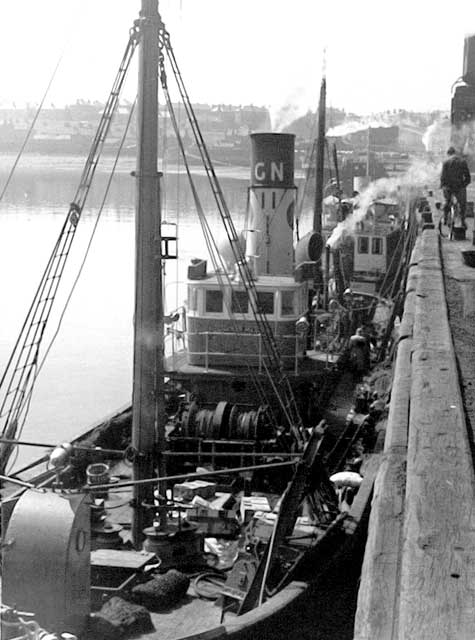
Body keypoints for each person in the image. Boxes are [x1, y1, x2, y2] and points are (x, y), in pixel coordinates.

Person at [440, 146, 471, 227]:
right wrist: (463, 185)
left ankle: (445, 218)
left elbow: (443, 177)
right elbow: (468, 177)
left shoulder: (445, 162)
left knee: (447, 201)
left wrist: (442, 186)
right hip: (459, 186)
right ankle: (463, 221)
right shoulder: (462, 161)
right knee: (462, 204)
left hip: (449, 187)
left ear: (448, 154)